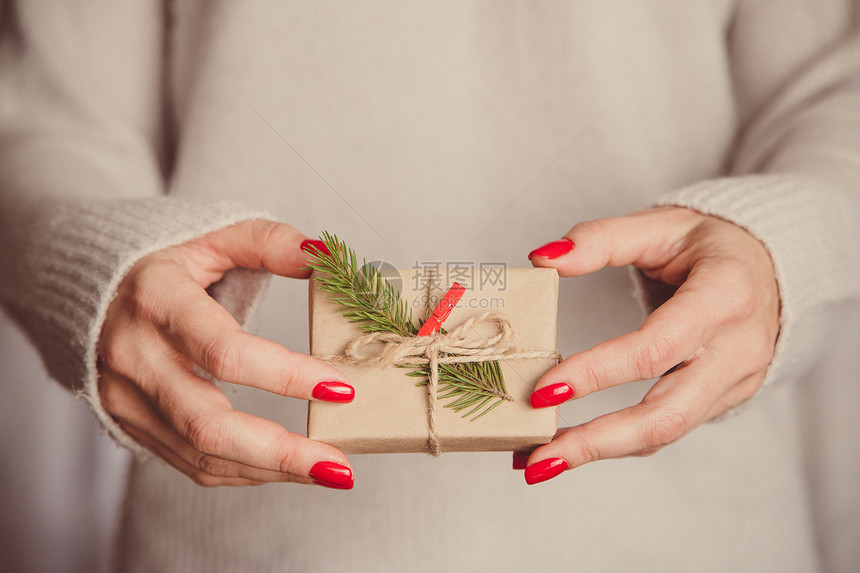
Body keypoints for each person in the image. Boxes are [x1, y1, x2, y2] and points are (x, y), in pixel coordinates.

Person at [1, 1, 858, 571]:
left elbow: (834, 88)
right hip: (236, 538)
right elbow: (51, 116)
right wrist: (104, 264)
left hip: (694, 534)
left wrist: (780, 244)